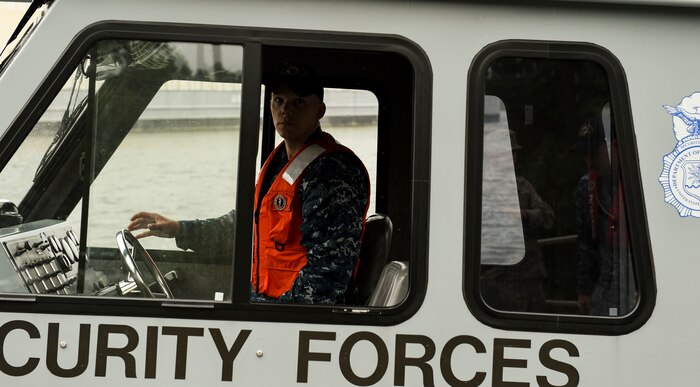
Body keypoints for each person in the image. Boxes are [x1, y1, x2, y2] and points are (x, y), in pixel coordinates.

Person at [128, 63, 370, 305]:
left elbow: (328, 275)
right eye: (279, 101)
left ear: (320, 110)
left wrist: (273, 317)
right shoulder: (280, 163)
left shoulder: (332, 172)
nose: (286, 110)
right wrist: (180, 229)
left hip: (292, 317)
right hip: (266, 306)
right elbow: (247, 227)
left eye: (298, 102)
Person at [480, 130, 554, 313]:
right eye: (506, 154)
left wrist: (524, 214)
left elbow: (548, 217)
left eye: (513, 154)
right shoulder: (479, 187)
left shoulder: (523, 186)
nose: (512, 158)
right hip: (498, 278)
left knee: (537, 326)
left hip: (529, 275)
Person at [573, 119, 626, 316]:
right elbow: (585, 243)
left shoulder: (642, 183)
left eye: (594, 155)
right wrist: (584, 289)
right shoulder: (587, 187)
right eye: (585, 156)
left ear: (615, 147)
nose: (589, 162)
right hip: (604, 289)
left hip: (641, 290)